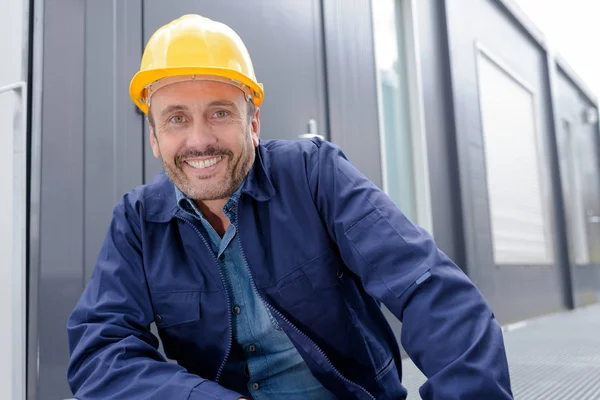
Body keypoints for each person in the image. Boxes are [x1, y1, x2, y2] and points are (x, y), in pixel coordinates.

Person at [67, 14, 513, 400]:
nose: (199, 140)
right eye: (177, 118)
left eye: (220, 113)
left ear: (253, 122)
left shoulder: (314, 175)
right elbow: (100, 351)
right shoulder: (137, 223)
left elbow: (429, 289)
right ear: (154, 137)